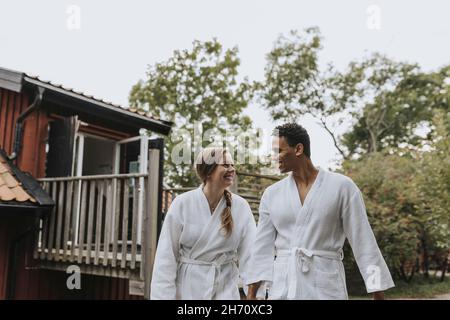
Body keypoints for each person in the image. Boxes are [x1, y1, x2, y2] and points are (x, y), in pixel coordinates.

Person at [247, 123, 395, 300]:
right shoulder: (271, 194)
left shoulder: (342, 187)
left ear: (298, 149)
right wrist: (252, 292)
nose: (274, 158)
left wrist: (377, 289)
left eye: (278, 151)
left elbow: (363, 239)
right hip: (284, 287)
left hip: (326, 286)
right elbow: (262, 247)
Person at [151, 147, 257, 299]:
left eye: (233, 165)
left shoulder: (240, 207)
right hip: (189, 290)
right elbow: (166, 258)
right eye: (226, 165)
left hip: (225, 290)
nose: (232, 169)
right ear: (208, 171)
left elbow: (251, 255)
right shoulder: (182, 203)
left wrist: (255, 294)